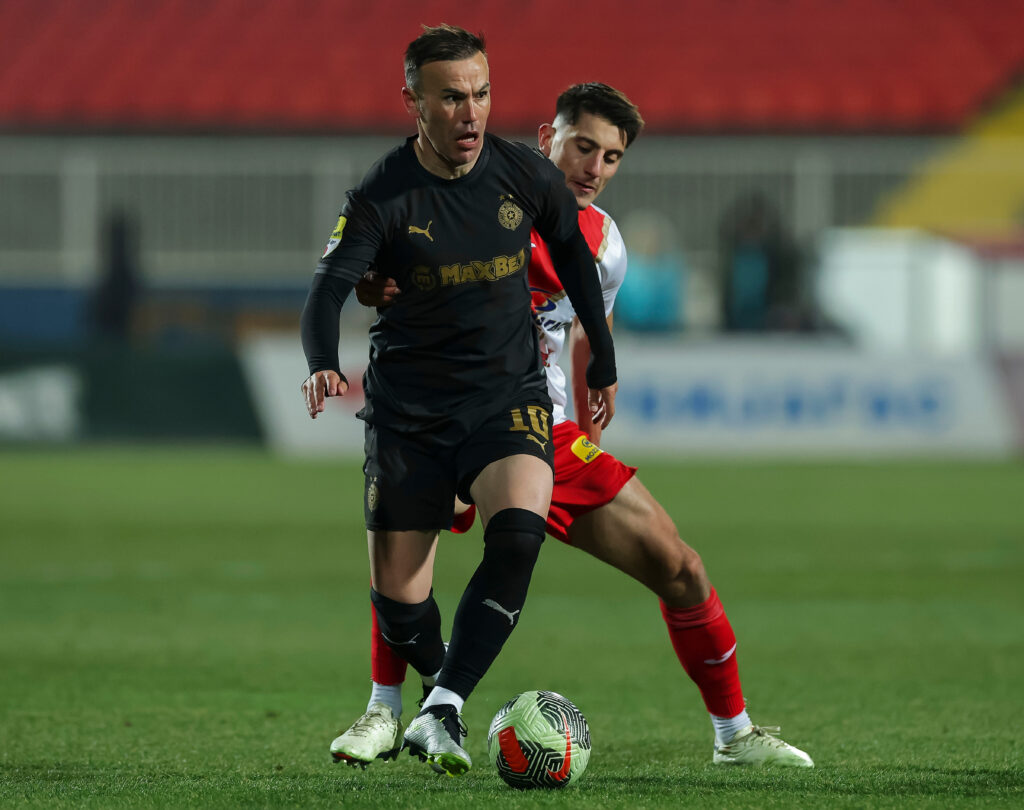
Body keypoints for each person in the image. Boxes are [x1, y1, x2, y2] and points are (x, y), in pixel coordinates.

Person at [333, 82, 814, 770]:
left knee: (680, 567)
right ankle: (386, 709)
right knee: (410, 563)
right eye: (582, 146)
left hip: (546, 429)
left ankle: (734, 735)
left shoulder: (606, 241)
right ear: (545, 138)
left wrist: (594, 375)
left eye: (611, 157)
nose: (593, 167)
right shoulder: (463, 206)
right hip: (448, 415)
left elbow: (590, 318)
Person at [300, 26, 618, 777]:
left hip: (504, 397)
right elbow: (328, 289)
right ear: (413, 101)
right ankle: (440, 700)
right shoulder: (382, 195)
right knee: (403, 611)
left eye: (480, 94)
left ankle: (440, 707)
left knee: (518, 533)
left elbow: (572, 254)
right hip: (410, 409)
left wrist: (601, 353)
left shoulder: (519, 174)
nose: (470, 113)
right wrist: (321, 361)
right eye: (451, 97)